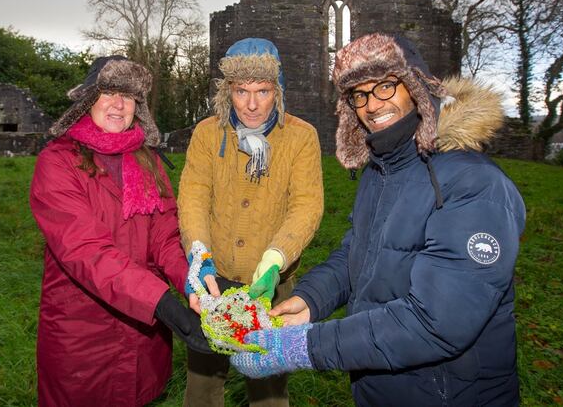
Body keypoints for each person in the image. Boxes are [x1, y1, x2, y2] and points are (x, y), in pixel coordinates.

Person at [230, 33, 526, 406]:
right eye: (360, 94)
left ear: (415, 86)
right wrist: (311, 299)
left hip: (449, 393)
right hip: (380, 386)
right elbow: (358, 252)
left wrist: (306, 347)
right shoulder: (381, 171)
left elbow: (437, 322)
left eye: (386, 86)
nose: (372, 105)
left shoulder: (474, 184)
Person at [29, 56, 216, 406]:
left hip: (140, 335)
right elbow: (86, 250)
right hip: (82, 332)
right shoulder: (57, 162)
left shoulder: (149, 161)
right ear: (88, 100)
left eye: (129, 97)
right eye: (110, 93)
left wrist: (194, 282)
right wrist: (163, 304)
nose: (119, 104)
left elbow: (164, 239)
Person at [177, 38, 324, 406]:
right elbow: (194, 196)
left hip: (271, 285)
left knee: (269, 388)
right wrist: (199, 252)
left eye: (263, 90)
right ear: (229, 91)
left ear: (279, 89)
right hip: (214, 280)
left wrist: (277, 256)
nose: (253, 104)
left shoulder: (301, 136)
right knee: (203, 384)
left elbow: (307, 205)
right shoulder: (208, 133)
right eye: (242, 91)